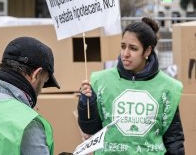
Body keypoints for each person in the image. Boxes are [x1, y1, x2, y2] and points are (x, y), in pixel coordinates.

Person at [77, 17, 185, 154]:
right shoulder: (100, 81)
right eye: (123, 46)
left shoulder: (168, 87)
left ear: (147, 51)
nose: (125, 54)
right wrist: (86, 104)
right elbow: (90, 129)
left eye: (133, 48)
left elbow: (174, 139)